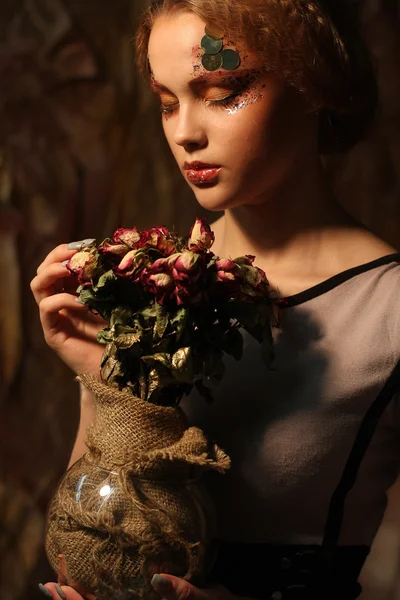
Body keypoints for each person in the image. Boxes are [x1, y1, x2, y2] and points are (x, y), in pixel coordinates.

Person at [31, 0, 400, 599]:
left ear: (312, 82)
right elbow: (89, 536)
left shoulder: (388, 311)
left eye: (224, 92)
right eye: (167, 102)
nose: (185, 132)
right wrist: (107, 381)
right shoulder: (147, 289)